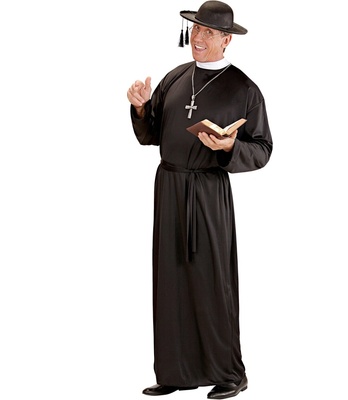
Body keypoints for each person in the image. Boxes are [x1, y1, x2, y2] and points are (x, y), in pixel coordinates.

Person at [127, 1, 273, 398]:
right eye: (196, 29)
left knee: (212, 281)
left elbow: (262, 149)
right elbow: (150, 134)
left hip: (209, 191)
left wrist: (229, 148)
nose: (199, 37)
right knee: (170, 280)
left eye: (209, 32)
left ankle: (230, 374)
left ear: (227, 40)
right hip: (169, 186)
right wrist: (140, 107)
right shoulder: (176, 77)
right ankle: (175, 373)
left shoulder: (244, 89)